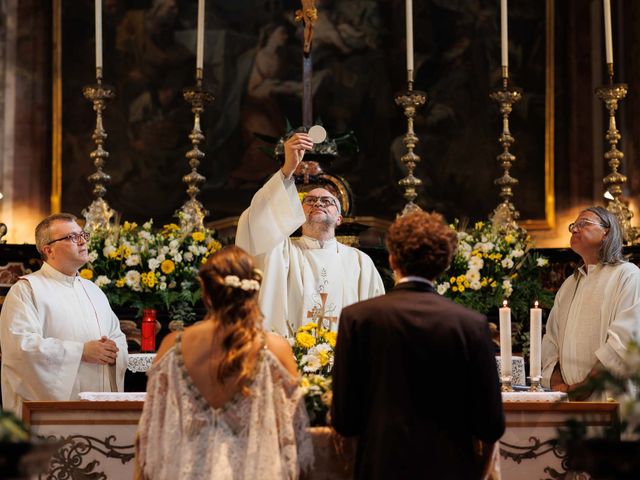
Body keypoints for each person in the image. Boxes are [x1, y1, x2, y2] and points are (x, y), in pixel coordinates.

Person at [331, 210, 505, 480]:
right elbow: (491, 424)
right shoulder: (471, 324)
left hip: (381, 466)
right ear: (445, 264)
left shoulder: (357, 318)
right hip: (451, 467)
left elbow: (344, 418)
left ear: (392, 258)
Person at [135, 246, 313, 480]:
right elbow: (296, 432)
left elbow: (151, 431)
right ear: (253, 291)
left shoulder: (171, 345)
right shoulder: (275, 348)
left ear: (206, 293)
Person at [236, 132, 385, 335]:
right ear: (298, 214)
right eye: (309, 201)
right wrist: (287, 170)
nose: (318, 204)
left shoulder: (360, 263)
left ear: (339, 219)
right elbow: (255, 220)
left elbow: (376, 319)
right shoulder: (282, 252)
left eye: (328, 201)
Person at [0, 213, 128, 416]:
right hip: (51, 416)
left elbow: (117, 336)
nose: (83, 241)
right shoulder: (26, 290)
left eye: (82, 235)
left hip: (101, 410)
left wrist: (113, 351)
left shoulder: (93, 290)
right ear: (48, 249)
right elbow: (20, 350)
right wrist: (81, 352)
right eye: (72, 237)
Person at [541, 206, 640, 400]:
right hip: (568, 398)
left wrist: (587, 385)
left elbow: (625, 339)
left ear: (606, 232)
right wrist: (558, 383)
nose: (574, 230)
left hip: (611, 394)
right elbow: (551, 340)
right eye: (573, 226)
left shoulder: (628, 276)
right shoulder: (569, 285)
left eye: (583, 224)